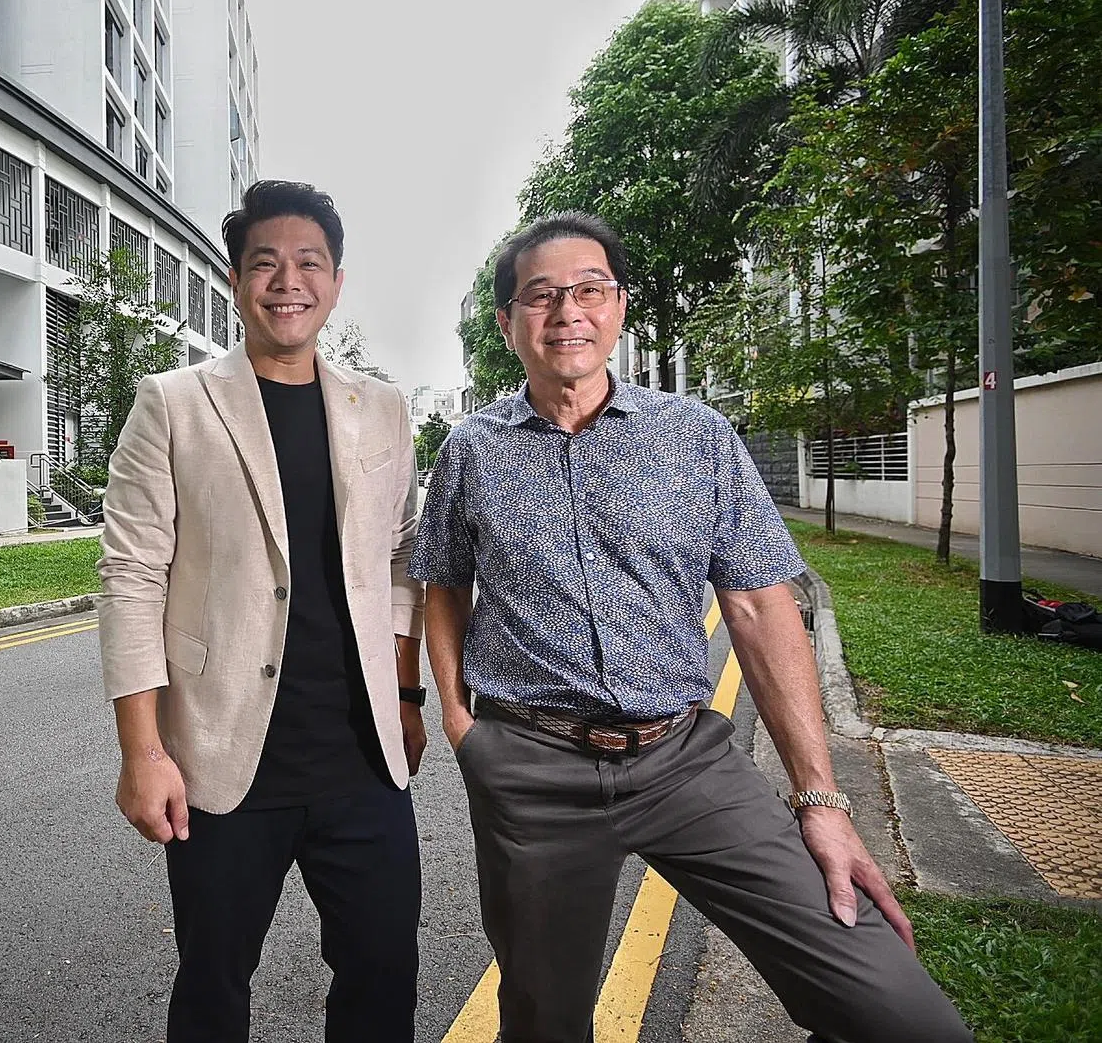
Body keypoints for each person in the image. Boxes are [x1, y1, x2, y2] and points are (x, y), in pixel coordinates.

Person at [410, 212, 972, 1043]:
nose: (567, 310)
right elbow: (444, 582)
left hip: (687, 764)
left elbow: (758, 605)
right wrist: (464, 726)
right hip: (530, 769)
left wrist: (819, 798)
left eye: (589, 289)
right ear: (507, 322)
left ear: (620, 307)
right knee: (543, 1019)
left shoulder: (697, 438)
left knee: (897, 1011)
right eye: (541, 296)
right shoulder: (472, 449)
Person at [98, 180, 426, 1043]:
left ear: (336, 282)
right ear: (237, 281)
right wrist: (143, 751)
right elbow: (131, 576)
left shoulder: (383, 408)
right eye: (265, 263)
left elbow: (399, 557)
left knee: (383, 973)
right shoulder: (173, 403)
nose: (289, 281)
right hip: (222, 759)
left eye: (309, 262)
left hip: (362, 762)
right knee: (213, 981)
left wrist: (405, 695)